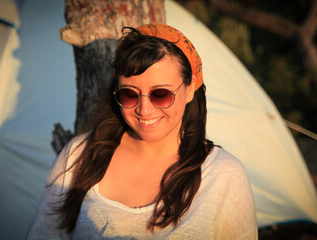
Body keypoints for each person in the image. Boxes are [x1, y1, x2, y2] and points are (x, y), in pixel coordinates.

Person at [27, 23, 257, 239]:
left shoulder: (223, 175)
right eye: (130, 94)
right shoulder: (79, 155)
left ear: (189, 89)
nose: (144, 110)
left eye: (161, 94)